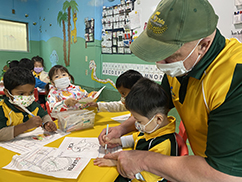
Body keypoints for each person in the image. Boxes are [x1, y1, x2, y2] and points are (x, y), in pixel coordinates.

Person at [98, 0, 242, 181]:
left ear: (203, 46)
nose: (160, 64)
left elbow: (224, 175)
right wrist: (121, 129)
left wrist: (142, 160)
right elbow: (154, 108)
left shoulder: (234, 78)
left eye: (170, 56)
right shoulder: (181, 66)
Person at [94, 78, 177, 182]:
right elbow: (137, 138)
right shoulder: (153, 129)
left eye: (139, 121)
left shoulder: (163, 145)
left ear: (158, 119)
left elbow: (148, 176)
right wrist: (119, 141)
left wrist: (116, 163)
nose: (136, 125)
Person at [0, 67, 57, 141]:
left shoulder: (33, 105)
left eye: (31, 92)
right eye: (21, 93)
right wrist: (26, 126)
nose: (27, 97)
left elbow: (44, 115)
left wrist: (47, 123)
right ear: (7, 93)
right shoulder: (2, 109)